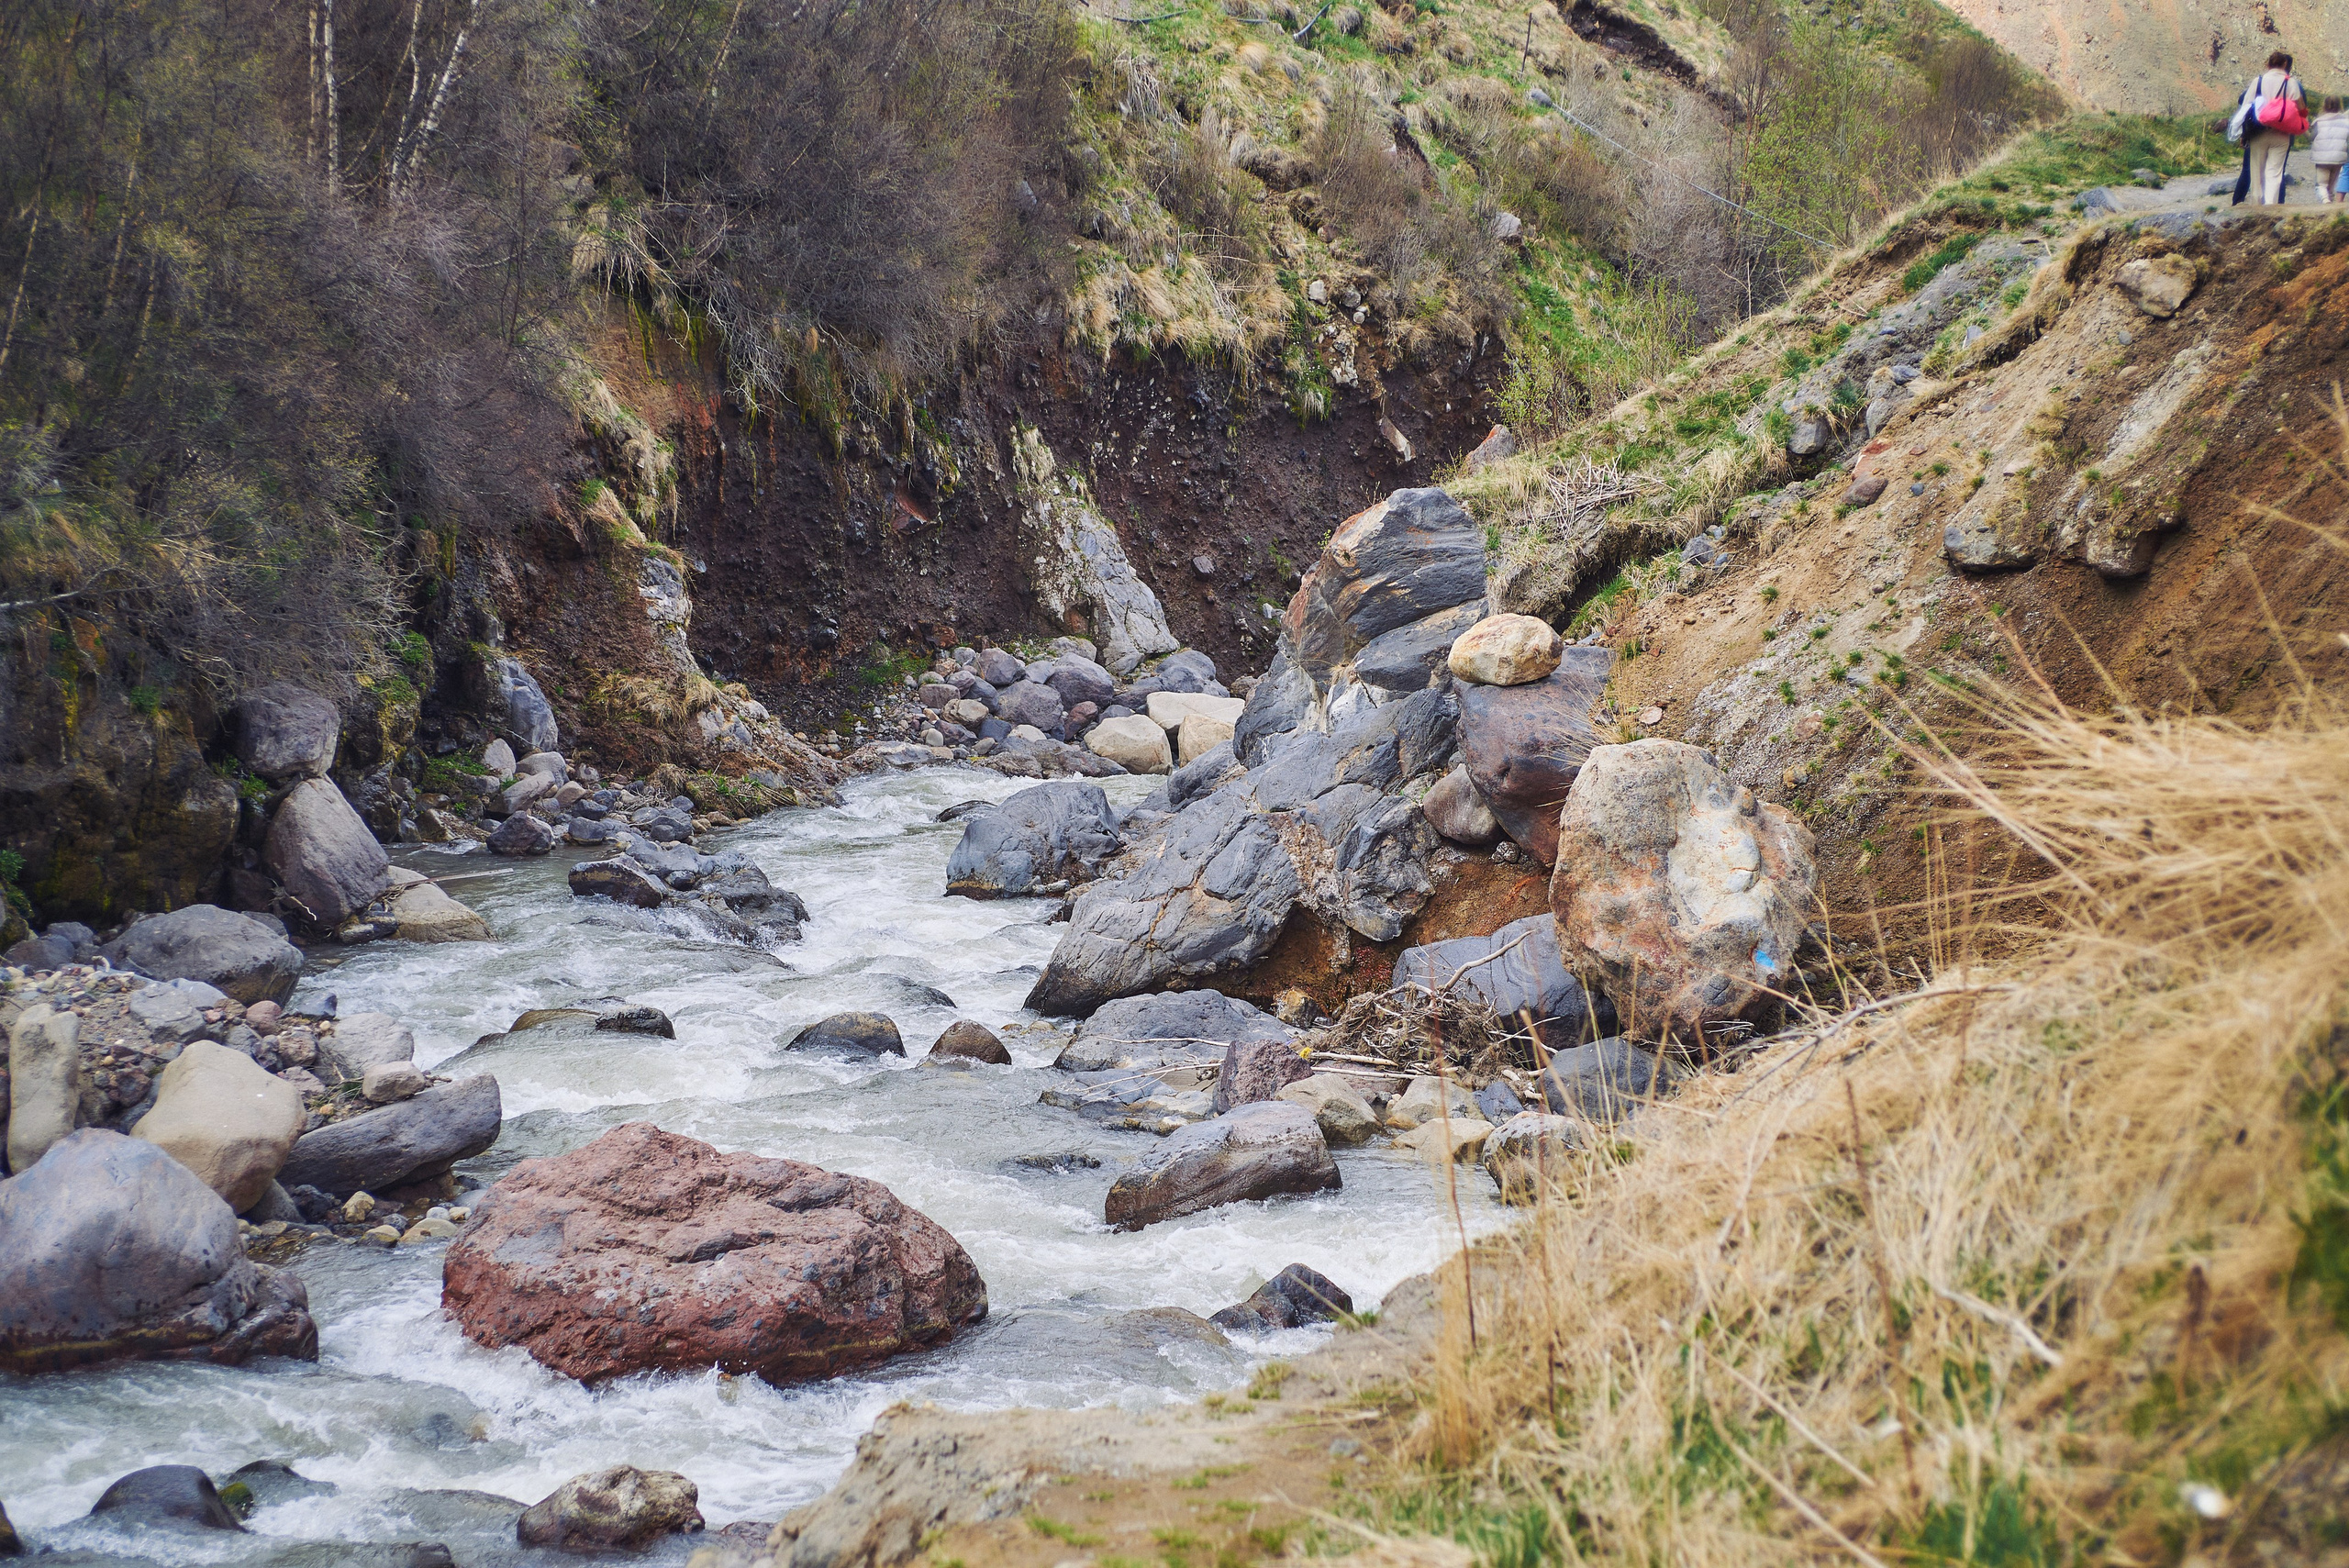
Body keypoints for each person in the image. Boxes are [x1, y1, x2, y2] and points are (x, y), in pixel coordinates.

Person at [2232, 51, 2307, 206]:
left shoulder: (2258, 81)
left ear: (2268, 64)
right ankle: (2271, 207)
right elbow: (2301, 109)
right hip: (2282, 134)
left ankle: (2257, 207)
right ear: (2284, 65)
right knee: (2274, 173)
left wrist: (2242, 133)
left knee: (2257, 172)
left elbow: (2245, 106)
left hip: (2258, 132)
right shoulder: (2290, 82)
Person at [2313, 94, 2349, 205]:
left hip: (2321, 158)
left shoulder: (2318, 121)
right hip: (2338, 158)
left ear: (2324, 106)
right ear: (2340, 106)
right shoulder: (2346, 121)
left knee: (2321, 184)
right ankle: (2330, 204)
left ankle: (2325, 201)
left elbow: (2312, 137)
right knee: (2331, 185)